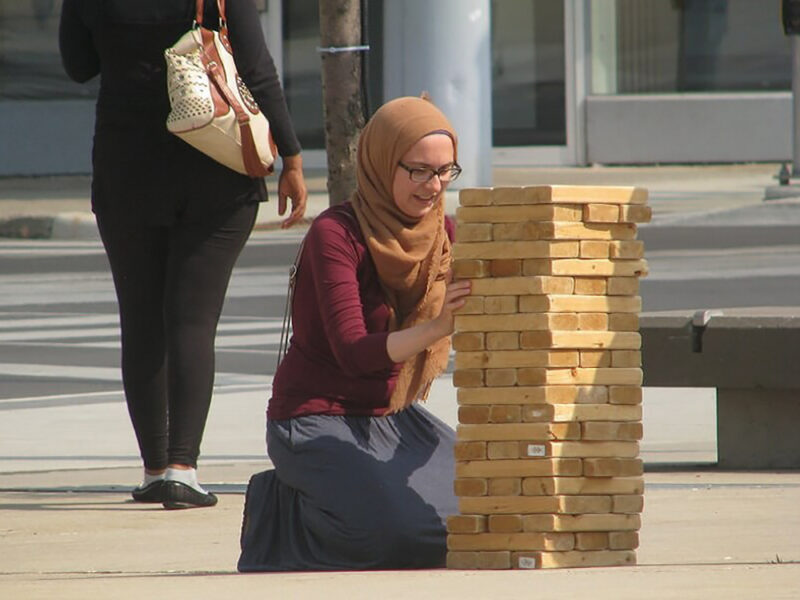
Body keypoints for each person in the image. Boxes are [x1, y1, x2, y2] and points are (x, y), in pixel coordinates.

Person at [59, 0, 307, 509]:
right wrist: (293, 157)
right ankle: (182, 467)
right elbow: (257, 68)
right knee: (193, 322)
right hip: (217, 169)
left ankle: (153, 469)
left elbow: (79, 67)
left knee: (142, 321)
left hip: (127, 167)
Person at [237, 96, 471, 571]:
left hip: (394, 416)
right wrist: (438, 327)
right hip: (315, 416)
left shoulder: (443, 234)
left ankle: (347, 499)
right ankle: (288, 518)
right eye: (419, 171)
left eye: (446, 171)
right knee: (401, 539)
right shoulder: (336, 234)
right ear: (383, 163)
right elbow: (354, 353)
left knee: (478, 517)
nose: (435, 185)